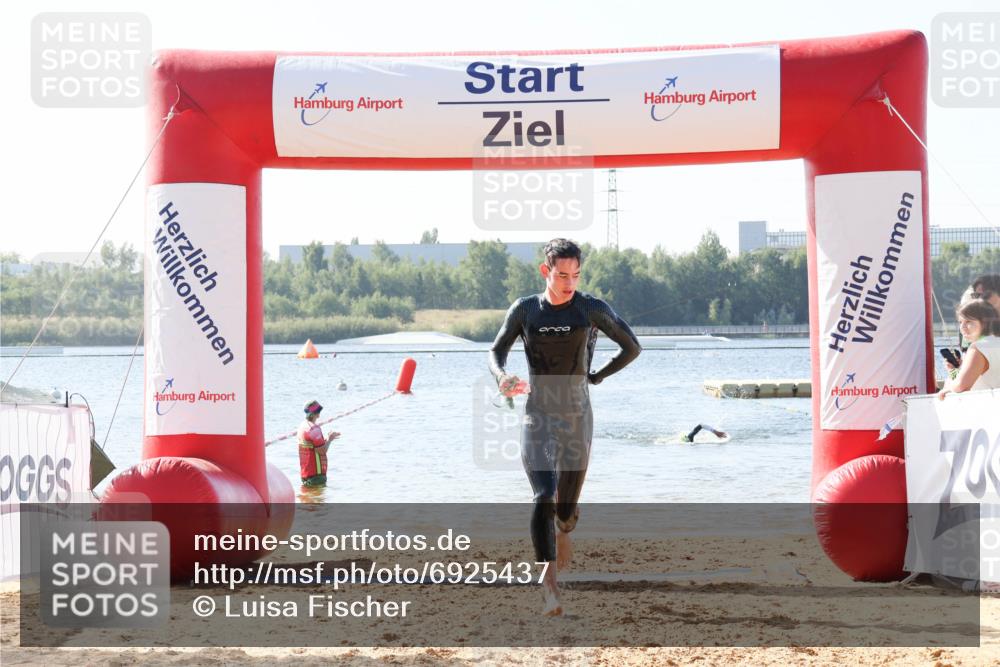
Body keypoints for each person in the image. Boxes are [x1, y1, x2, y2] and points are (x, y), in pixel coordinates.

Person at [489, 238, 641, 616]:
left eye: (575, 275)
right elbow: (496, 351)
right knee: (544, 494)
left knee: (565, 509)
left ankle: (566, 526)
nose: (569, 282)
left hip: (577, 417)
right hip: (537, 414)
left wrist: (598, 376)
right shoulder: (525, 310)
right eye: (561, 275)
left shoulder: (590, 308)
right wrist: (502, 376)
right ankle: (550, 590)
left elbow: (632, 347)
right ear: (546, 272)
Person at [938, 299, 1000, 399]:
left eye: (968, 321)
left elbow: (961, 386)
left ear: (985, 322)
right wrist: (954, 371)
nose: (962, 327)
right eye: (960, 322)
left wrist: (949, 385)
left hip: (985, 409)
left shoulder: (978, 348)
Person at [297, 400, 340, 486]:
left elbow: (312, 446)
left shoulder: (302, 426)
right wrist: (330, 439)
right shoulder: (314, 429)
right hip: (316, 476)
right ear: (313, 413)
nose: (319, 416)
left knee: (309, 498)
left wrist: (326, 439)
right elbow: (322, 450)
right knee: (319, 498)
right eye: (318, 413)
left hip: (305, 474)